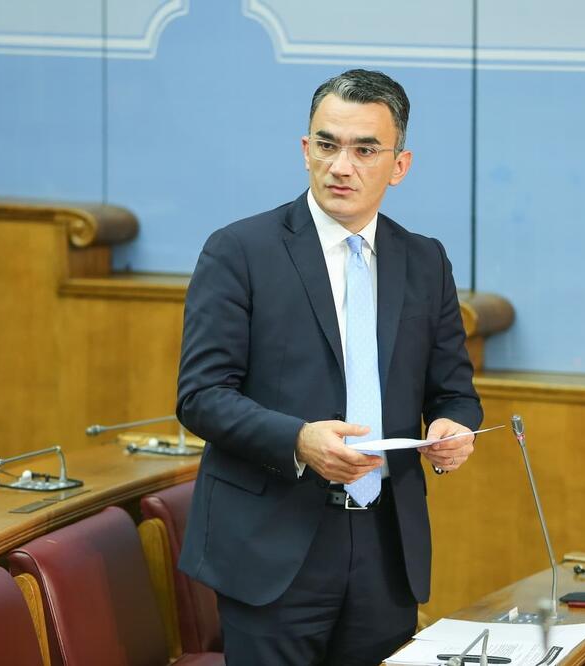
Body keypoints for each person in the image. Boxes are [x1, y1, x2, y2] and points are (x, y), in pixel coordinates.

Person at [176, 68, 483, 666]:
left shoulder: (425, 261)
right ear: (305, 150)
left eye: (365, 149)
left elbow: (453, 390)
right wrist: (298, 439)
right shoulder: (240, 251)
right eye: (327, 144)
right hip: (272, 544)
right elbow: (201, 395)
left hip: (385, 547)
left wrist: (454, 426)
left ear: (399, 165)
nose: (342, 166)